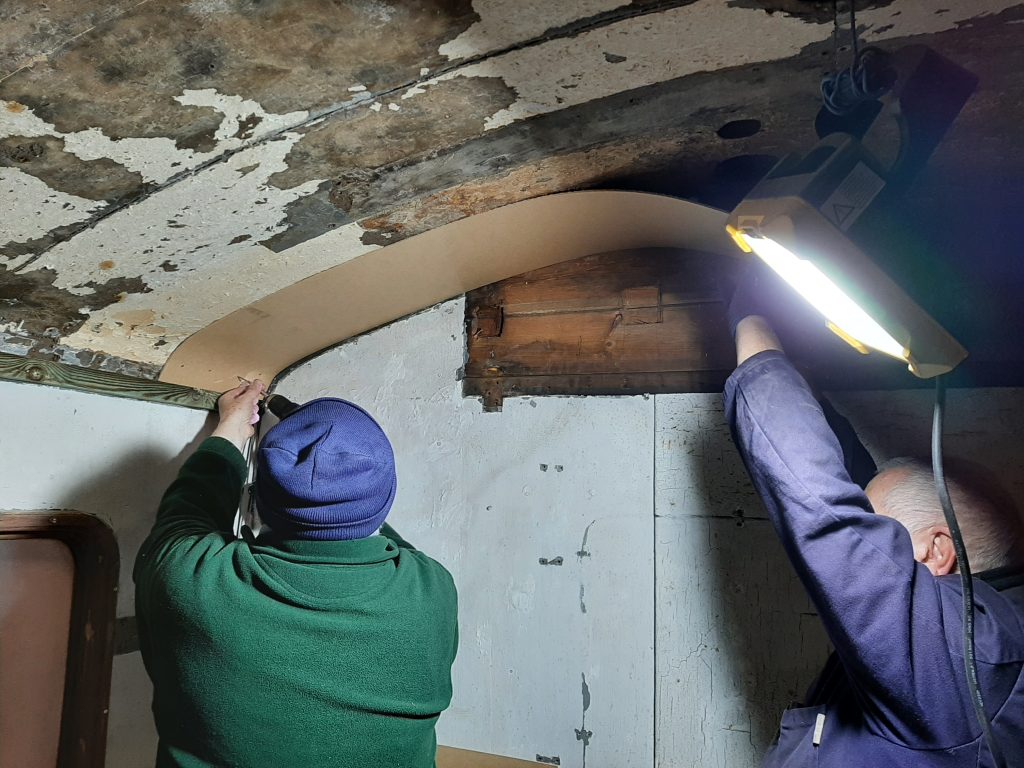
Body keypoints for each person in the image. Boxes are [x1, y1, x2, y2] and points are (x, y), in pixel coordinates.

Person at [725, 300, 1024, 767]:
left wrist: (751, 317)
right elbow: (854, 492)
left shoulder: (962, 655)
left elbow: (826, 512)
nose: (872, 547)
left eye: (881, 536)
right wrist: (804, 383)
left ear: (937, 549)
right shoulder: (991, 626)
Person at [134, 380, 458, 768]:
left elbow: (189, 504)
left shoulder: (188, 575)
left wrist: (233, 427)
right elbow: (378, 534)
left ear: (255, 501)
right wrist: (344, 480)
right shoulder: (433, 588)